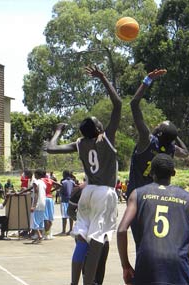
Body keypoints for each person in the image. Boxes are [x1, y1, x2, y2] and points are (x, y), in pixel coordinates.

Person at [47, 65, 121, 285]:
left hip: (87, 193)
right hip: (104, 192)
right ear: (99, 127)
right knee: (97, 241)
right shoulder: (105, 140)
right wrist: (103, 78)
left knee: (81, 239)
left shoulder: (80, 143)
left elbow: (51, 149)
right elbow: (118, 104)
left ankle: (73, 282)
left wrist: (58, 131)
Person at [117, 154, 189, 285]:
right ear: (173, 173)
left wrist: (125, 265)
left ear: (151, 173)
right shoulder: (186, 197)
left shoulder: (137, 194)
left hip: (147, 263)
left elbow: (122, 230)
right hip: (177, 266)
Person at [126, 68, 189, 200]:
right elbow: (185, 153)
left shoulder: (147, 140)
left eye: (160, 125)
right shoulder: (171, 150)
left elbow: (134, 103)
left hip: (136, 195)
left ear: (159, 133)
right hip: (155, 197)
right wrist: (174, 135)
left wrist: (147, 80)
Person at [57, 170, 76, 235]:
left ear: (64, 175)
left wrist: (60, 193)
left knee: (64, 216)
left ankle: (63, 230)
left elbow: (61, 190)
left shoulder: (63, 182)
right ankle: (70, 229)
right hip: (71, 200)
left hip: (64, 200)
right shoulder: (72, 182)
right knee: (70, 215)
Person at [30, 169, 47, 243]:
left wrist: (33, 205)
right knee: (40, 220)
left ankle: (39, 235)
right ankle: (39, 236)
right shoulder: (43, 182)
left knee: (34, 220)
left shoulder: (35, 182)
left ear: (37, 174)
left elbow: (36, 193)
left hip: (37, 203)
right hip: (43, 202)